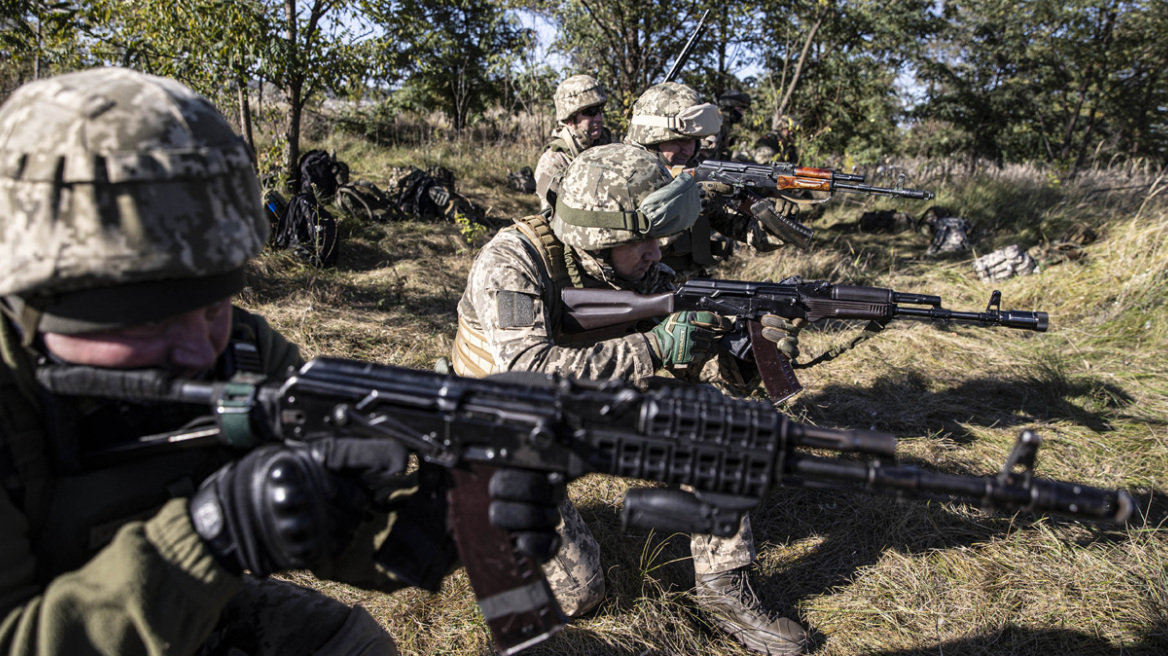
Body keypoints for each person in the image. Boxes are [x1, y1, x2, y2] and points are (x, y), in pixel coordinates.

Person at [0, 67, 561, 655]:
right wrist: (212, 535)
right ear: (36, 300)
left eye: (214, 306)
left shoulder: (243, 353)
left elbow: (351, 540)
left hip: (186, 614)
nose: (200, 350)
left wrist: (446, 515)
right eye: (149, 320)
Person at [452, 142, 809, 655]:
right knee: (579, 594)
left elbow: (692, 368)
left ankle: (723, 588)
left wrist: (746, 355)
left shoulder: (638, 271)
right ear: (599, 239)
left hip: (585, 405)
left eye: (658, 239)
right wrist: (653, 347)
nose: (657, 253)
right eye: (642, 241)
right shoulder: (511, 263)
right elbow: (527, 371)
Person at [625, 82, 797, 279]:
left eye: (694, 140)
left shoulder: (690, 176)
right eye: (680, 140)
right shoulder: (620, 179)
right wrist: (681, 210)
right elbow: (621, 249)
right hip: (643, 290)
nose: (689, 150)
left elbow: (743, 230)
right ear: (651, 137)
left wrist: (775, 222)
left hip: (693, 284)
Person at [534, 74, 612, 210]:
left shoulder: (608, 144)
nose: (599, 118)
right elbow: (552, 214)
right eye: (590, 112)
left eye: (600, 110)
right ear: (569, 118)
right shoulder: (552, 161)